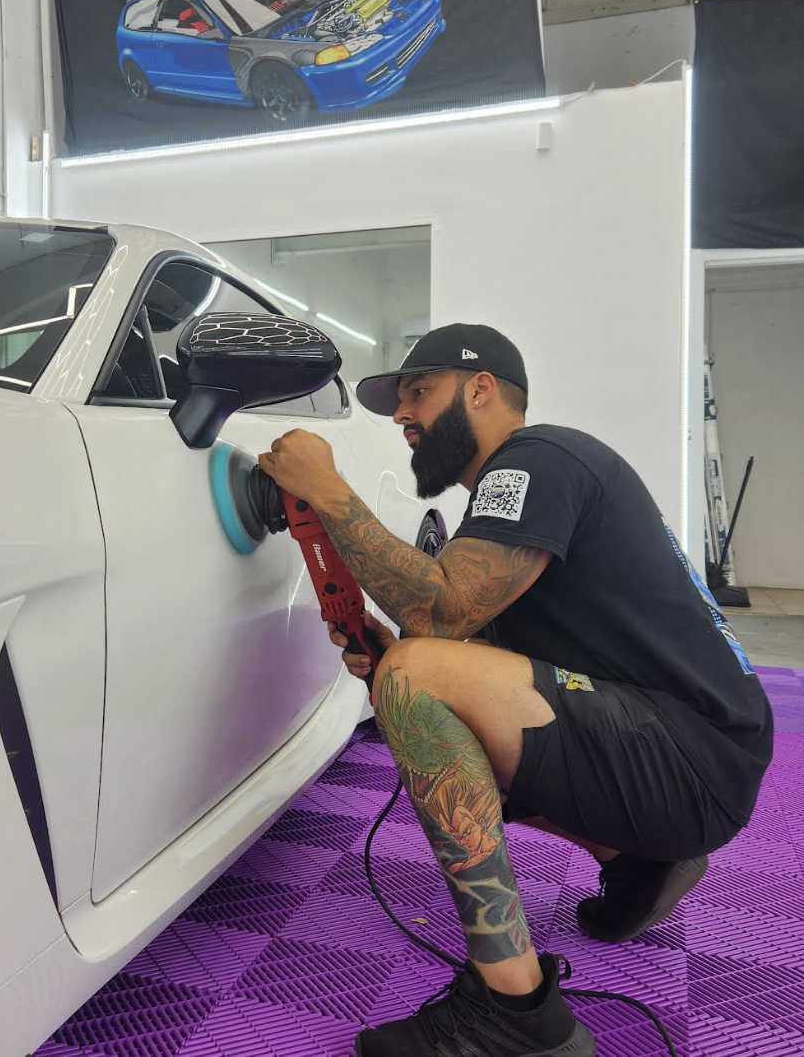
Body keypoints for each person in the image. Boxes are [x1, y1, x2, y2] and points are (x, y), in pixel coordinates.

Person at [256, 323, 773, 1057]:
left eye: (418, 393)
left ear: (481, 389)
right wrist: (395, 650)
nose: (402, 416)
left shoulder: (537, 459)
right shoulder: (516, 496)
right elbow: (469, 646)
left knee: (415, 680)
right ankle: (640, 861)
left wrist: (328, 491)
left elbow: (441, 608)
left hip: (691, 755)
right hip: (692, 756)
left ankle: (517, 1011)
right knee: (418, 682)